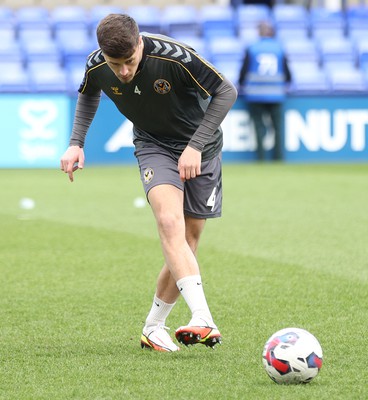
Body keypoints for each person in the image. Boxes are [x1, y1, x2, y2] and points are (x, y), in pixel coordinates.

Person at [60, 14, 237, 352]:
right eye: (116, 64)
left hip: (202, 149)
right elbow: (88, 93)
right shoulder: (97, 64)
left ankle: (154, 327)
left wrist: (195, 146)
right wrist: (76, 141)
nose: (123, 71)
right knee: (169, 222)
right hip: (154, 146)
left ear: (139, 43)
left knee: (189, 238)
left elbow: (226, 91)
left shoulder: (176, 57)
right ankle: (203, 317)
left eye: (129, 61)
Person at [238, 21, 291, 161]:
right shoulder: (279, 48)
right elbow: (288, 73)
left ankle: (261, 158)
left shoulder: (252, 48)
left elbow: (243, 72)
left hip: (255, 95)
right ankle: (278, 157)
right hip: (276, 95)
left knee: (259, 127)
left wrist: (242, 84)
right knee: (278, 128)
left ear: (259, 32)